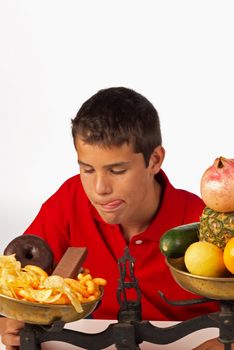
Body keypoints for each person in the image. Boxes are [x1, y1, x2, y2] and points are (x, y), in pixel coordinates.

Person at [0, 87, 229, 349]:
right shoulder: (70, 200)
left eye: (117, 170)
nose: (99, 188)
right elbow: (14, 287)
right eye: (87, 169)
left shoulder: (201, 219)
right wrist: (8, 324)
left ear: (154, 160)